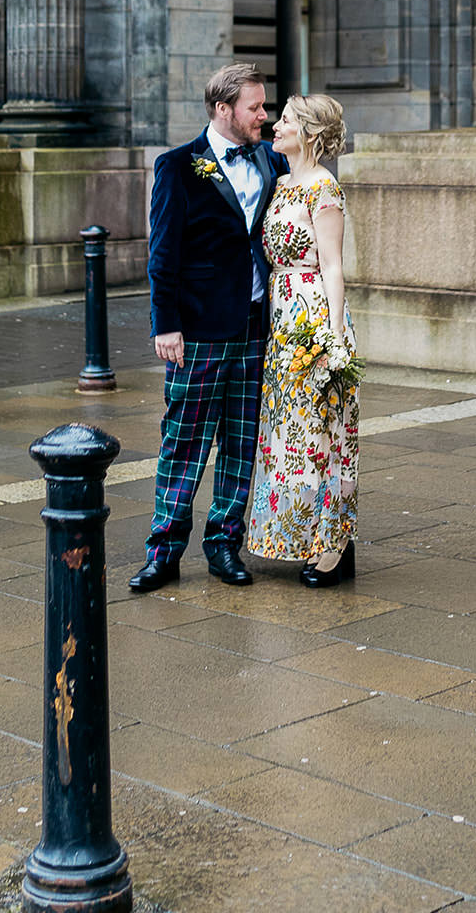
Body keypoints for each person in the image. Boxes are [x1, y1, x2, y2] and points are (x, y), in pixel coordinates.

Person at [130, 62, 289, 592]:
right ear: (223, 109)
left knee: (242, 442)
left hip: (254, 327)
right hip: (195, 330)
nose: (264, 116)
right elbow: (162, 252)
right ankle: (164, 550)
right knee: (184, 440)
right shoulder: (178, 166)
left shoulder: (272, 161)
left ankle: (224, 543)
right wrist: (165, 324)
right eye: (255, 107)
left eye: (264, 107)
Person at [246, 93, 359, 588]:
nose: (275, 124)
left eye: (286, 120)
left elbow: (333, 265)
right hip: (282, 321)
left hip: (314, 317)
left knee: (322, 436)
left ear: (308, 133)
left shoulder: (323, 187)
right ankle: (294, 535)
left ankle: (334, 546)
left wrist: (335, 338)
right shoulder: (282, 183)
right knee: (289, 438)